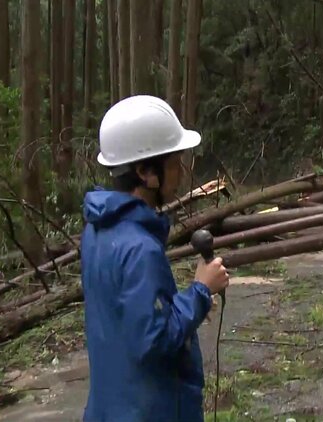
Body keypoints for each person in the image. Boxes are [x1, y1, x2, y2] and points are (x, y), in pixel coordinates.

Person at [80, 95, 229, 422]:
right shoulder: (140, 248)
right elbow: (156, 339)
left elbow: (130, 320)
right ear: (146, 172)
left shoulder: (96, 233)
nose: (180, 173)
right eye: (174, 163)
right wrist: (201, 291)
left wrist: (187, 300)